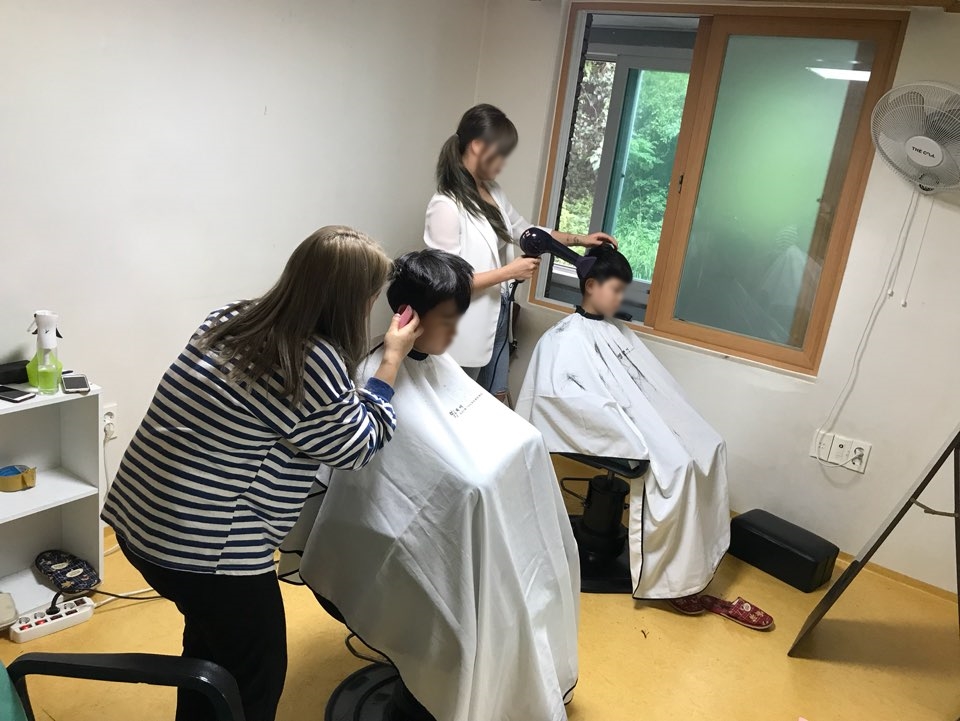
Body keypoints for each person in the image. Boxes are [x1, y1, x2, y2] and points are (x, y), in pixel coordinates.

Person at [100, 226, 422, 721]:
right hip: (203, 554)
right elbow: (357, 447)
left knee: (210, 654)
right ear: (352, 300)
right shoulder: (311, 361)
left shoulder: (229, 318)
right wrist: (391, 362)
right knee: (254, 674)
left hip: (138, 522)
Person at [280, 249, 580, 721]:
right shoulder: (371, 376)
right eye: (447, 321)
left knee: (520, 454)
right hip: (386, 538)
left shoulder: (438, 364)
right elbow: (384, 470)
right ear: (409, 318)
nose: (454, 332)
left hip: (472, 526)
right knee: (474, 490)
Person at [517, 245, 743, 616]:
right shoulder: (563, 338)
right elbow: (560, 401)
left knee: (709, 446)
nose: (621, 299)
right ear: (591, 285)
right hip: (613, 427)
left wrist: (663, 420)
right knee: (677, 467)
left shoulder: (615, 331)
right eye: (616, 290)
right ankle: (669, 576)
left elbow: (657, 387)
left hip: (638, 418)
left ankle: (691, 563)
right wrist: (630, 430)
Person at [424, 103, 616, 401]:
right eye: (501, 153)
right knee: (461, 405)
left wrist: (582, 240)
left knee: (497, 397)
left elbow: (526, 231)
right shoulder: (445, 206)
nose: (503, 162)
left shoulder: (493, 191)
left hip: (498, 314)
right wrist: (509, 272)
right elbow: (447, 282)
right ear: (477, 146)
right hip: (463, 326)